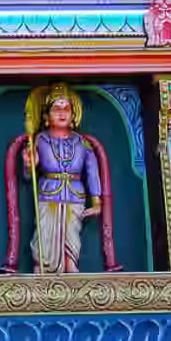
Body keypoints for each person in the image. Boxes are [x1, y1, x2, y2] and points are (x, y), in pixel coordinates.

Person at [14, 83, 105, 275]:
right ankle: (42, 267)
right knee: (44, 234)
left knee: (71, 234)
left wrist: (97, 201)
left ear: (73, 115)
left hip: (75, 193)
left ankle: (70, 265)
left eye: (66, 109)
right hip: (49, 191)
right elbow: (27, 176)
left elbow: (92, 171)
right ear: (46, 116)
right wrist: (29, 164)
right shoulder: (40, 140)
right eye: (56, 109)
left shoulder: (82, 143)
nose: (62, 113)